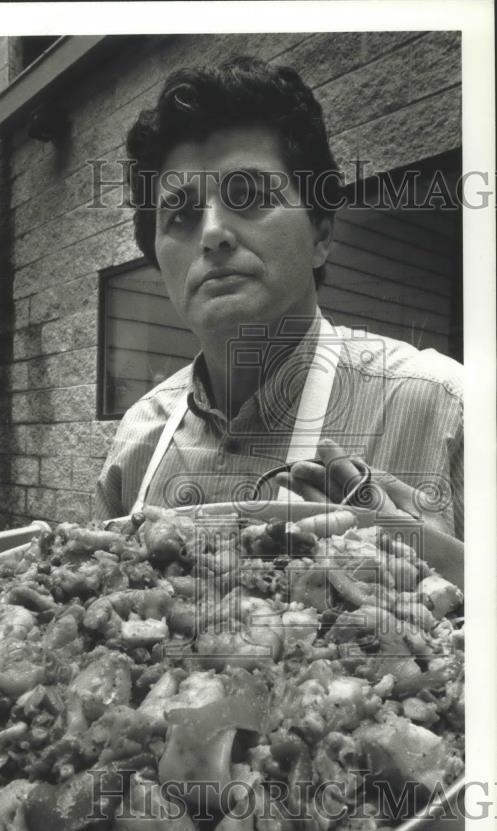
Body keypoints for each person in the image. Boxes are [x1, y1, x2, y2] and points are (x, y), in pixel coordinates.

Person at [94, 58, 463, 539]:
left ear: (321, 234)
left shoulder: (446, 410)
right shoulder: (137, 438)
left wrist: (444, 573)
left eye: (248, 196)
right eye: (180, 215)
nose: (213, 233)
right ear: (159, 260)